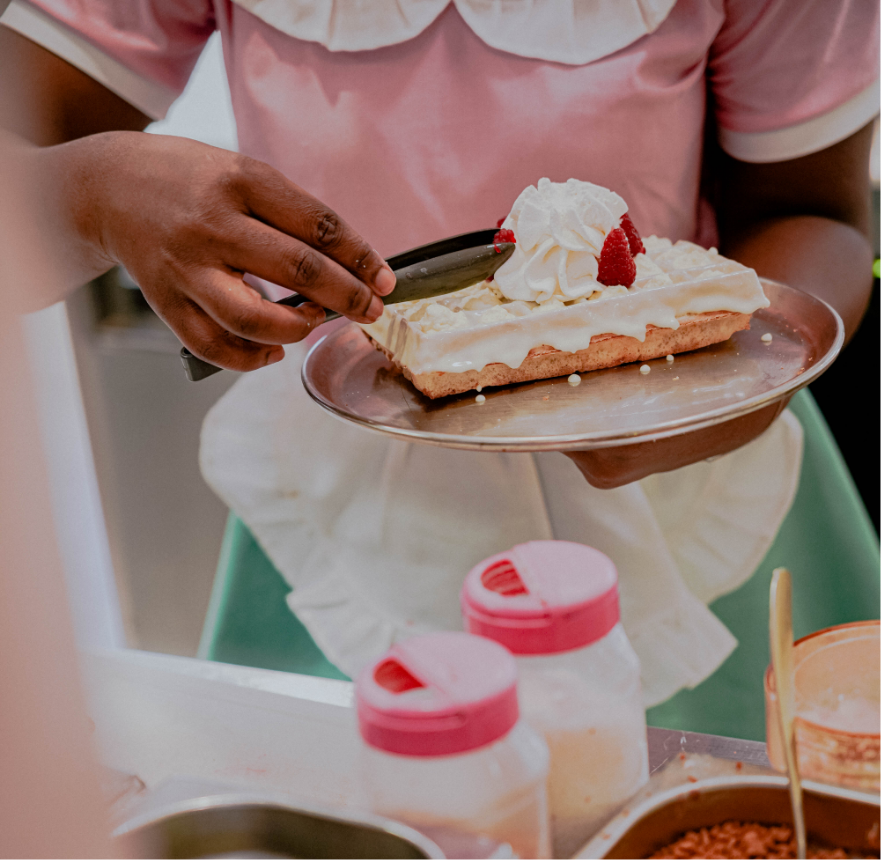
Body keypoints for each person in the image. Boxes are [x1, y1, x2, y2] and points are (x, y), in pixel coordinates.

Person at [1, 0, 878, 719]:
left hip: (693, 489)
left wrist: (737, 391)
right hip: (345, 516)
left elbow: (821, 214)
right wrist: (88, 192)